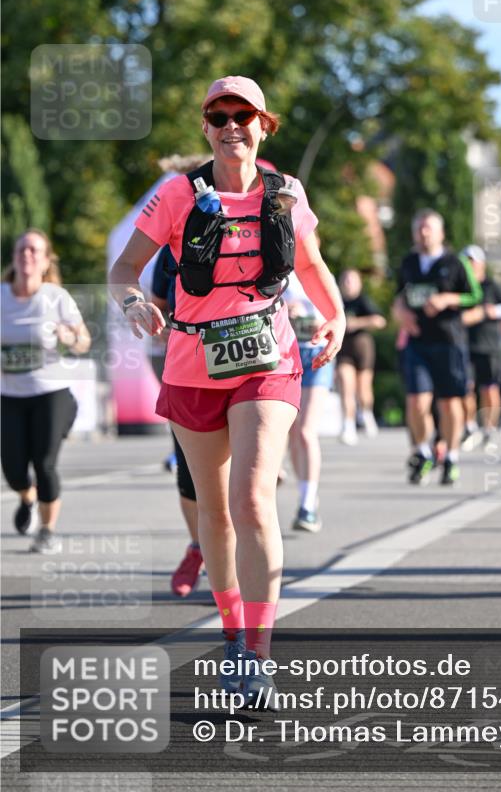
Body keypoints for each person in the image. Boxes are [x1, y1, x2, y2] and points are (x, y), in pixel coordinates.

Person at [109, 75, 345, 709]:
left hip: (268, 362)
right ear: (205, 127)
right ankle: (234, 633)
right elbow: (123, 269)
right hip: (191, 365)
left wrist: (336, 316)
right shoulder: (177, 195)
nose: (232, 124)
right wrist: (135, 303)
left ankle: (258, 653)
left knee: (251, 498)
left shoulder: (286, 195)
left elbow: (312, 266)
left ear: (264, 124)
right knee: (212, 512)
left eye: (245, 114)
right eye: (219, 115)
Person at [1, 229, 90, 554]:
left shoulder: (56, 297)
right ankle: (27, 496)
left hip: (51, 393)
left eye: (34, 251)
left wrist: (70, 338)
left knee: (45, 462)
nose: (27, 255)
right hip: (9, 396)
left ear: (45, 260)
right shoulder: (1, 296)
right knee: (12, 469)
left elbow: (83, 342)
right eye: (22, 249)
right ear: (13, 257)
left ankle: (47, 531)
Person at [393, 209, 481, 487]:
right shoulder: (408, 262)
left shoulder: (455, 262)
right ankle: (423, 451)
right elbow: (399, 298)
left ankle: (452, 456)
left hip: (449, 342)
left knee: (449, 403)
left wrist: (447, 299)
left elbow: (475, 296)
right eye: (419, 228)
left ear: (441, 233)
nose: (423, 233)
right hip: (418, 342)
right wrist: (401, 315)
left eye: (428, 228)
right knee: (417, 402)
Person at [150, 242, 204, 597]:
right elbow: (157, 305)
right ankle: (198, 548)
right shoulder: (170, 249)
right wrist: (160, 325)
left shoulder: (249, 224)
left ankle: (246, 569)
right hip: (186, 369)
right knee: (189, 476)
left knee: (246, 478)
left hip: (247, 371)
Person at [284, 269, 333, 532]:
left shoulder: (320, 274)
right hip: (286, 355)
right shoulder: (277, 270)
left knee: (305, 430)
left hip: (316, 355)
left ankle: (308, 506)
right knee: (291, 431)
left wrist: (316, 320)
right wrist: (284, 310)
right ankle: (304, 493)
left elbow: (337, 316)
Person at [460, 246, 501, 447]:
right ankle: (469, 426)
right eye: (466, 261)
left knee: (489, 389)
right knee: (466, 388)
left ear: (481, 264)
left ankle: (489, 428)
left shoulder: (491, 285)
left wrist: (492, 311)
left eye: (473, 261)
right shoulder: (460, 285)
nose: (470, 265)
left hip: (489, 346)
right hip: (465, 344)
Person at [336, 268, 386, 445]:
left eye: (352, 280)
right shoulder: (337, 301)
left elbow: (379, 320)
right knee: (345, 385)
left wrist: (356, 323)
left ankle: (366, 411)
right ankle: (348, 425)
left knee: (363, 389)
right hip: (343, 349)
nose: (348, 284)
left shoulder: (363, 301)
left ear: (359, 283)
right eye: (346, 280)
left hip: (362, 348)